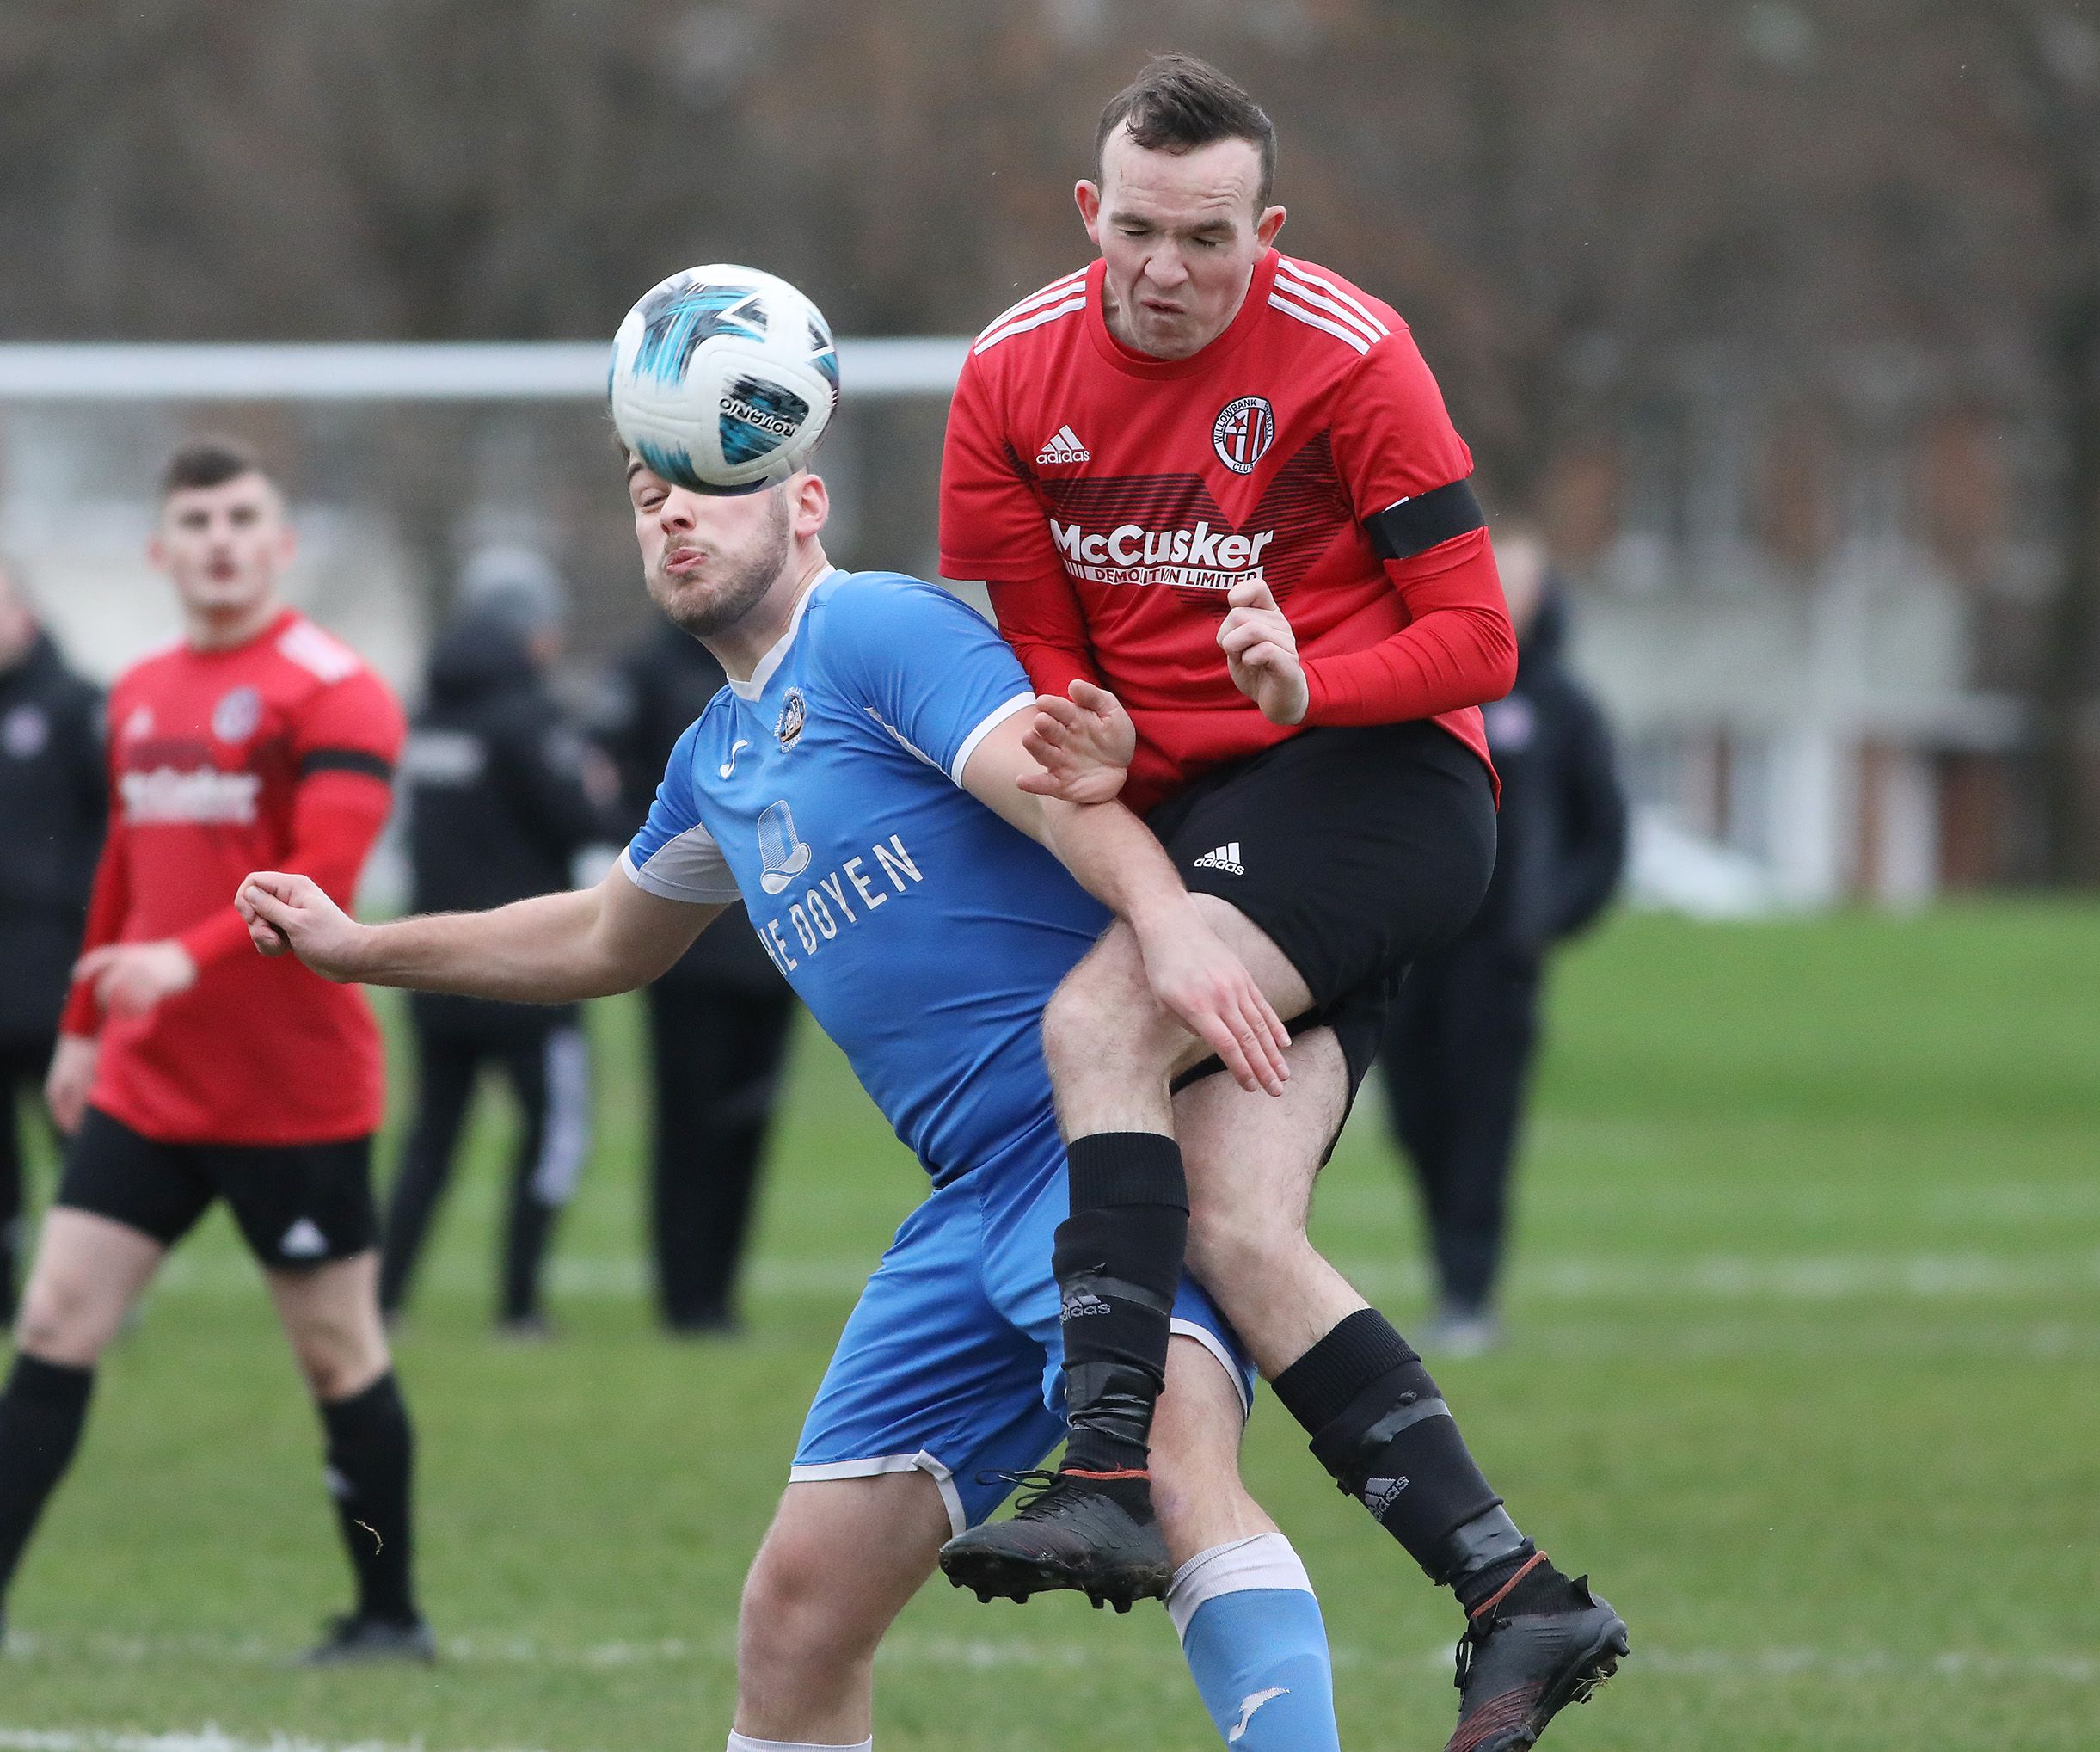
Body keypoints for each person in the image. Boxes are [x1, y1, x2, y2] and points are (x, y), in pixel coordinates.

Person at [237, 452, 1351, 1751]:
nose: (671, 516)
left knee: (1175, 1468)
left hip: (1092, 1153)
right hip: (963, 1209)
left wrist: (1170, 925)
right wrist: (365, 947)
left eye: (707, 486)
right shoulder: (714, 757)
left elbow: (1059, 795)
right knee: (799, 1611)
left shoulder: (873, 629)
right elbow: (605, 939)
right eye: (649, 500)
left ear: (807, 501)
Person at [935, 53, 1624, 1749]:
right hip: (1232, 815)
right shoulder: (1009, 375)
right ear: (1090, 214)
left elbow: (1479, 641)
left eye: (1211, 237)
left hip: (1381, 785)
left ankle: (1102, 1468)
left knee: (1098, 1019)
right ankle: (1515, 1594)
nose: (1170, 271)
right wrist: (1080, 731)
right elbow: (1030, 648)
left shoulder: (1348, 355)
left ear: (1267, 227)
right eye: (1142, 233)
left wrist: (1304, 681)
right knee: (1239, 1227)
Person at [0, 439, 427, 1663]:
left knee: (336, 1349)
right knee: (54, 1321)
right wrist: (87, 1029)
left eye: (244, 517)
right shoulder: (136, 692)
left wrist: (179, 964)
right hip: (150, 1088)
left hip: (292, 1095)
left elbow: (325, 883)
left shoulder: (335, 687)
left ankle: (389, 1617)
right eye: (198, 522)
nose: (222, 539)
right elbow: (123, 874)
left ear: (282, 541)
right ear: (162, 549)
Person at [1382, 532, 1627, 1356]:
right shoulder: (1421, 684)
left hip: (1498, 964)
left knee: (1484, 1123)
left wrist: (1544, 918)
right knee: (1415, 1120)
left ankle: (1469, 1291)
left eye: (1519, 577)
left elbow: (1605, 834)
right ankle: (1447, 1273)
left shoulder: (1562, 706)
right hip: (1411, 951)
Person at [378, 550, 612, 1335]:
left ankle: (384, 1297)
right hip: (526, 963)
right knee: (554, 1130)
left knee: (431, 1140)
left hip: (434, 961)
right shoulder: (528, 713)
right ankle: (518, 1305)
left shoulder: (428, 714)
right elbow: (578, 816)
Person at [601, 618, 795, 1335]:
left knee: (749, 1120)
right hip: (685, 951)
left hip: (776, 939)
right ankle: (683, 1298)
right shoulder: (649, 672)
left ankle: (720, 1294)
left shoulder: (779, 666)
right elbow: (612, 791)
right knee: (686, 1123)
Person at [0, 561, 105, 1318]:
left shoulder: (77, 704)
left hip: (54, 956)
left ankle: (100, 1277)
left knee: (74, 1120)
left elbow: (116, 826)